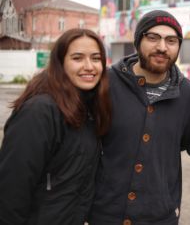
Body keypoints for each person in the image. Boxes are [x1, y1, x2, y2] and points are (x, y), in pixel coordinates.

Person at [89, 10, 190, 225]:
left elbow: (189, 144)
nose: (162, 47)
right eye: (153, 38)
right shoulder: (105, 83)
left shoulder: (188, 94)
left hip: (159, 217)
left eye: (171, 40)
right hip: (105, 215)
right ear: (138, 41)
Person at [0, 28, 112, 224]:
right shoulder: (40, 112)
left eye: (96, 58)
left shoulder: (89, 110)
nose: (89, 66)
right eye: (77, 58)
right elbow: (11, 190)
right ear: (60, 63)